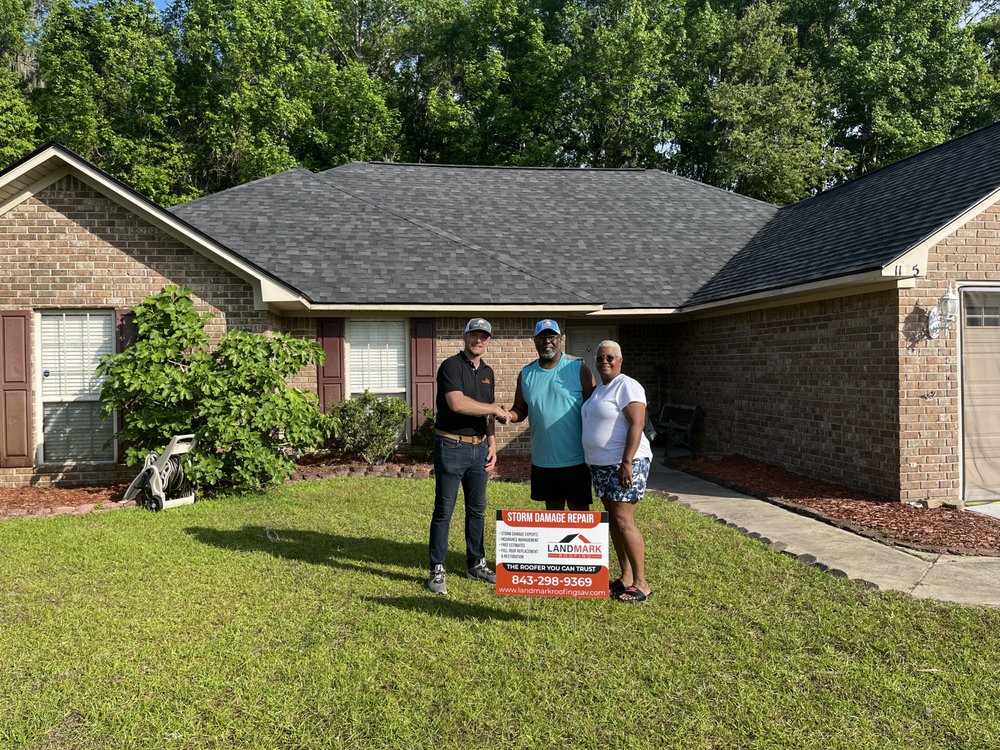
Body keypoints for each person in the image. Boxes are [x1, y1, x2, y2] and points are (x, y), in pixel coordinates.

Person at [427, 317, 511, 596]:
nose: (479, 340)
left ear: (489, 341)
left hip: (478, 450)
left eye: (484, 336)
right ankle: (437, 568)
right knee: (444, 511)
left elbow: (486, 414)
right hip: (451, 447)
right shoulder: (451, 366)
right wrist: (496, 409)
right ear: (465, 337)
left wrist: (492, 443)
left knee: (477, 509)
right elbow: (457, 403)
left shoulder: (487, 371)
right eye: (474, 335)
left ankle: (475, 563)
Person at [581, 340, 654, 603]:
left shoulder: (627, 385)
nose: (605, 362)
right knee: (614, 521)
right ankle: (625, 578)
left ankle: (642, 583)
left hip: (624, 464)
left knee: (624, 521)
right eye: (600, 358)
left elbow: (637, 423)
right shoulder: (601, 389)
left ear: (620, 360)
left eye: (610, 357)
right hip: (601, 466)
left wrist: (626, 462)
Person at [506, 319, 595, 511]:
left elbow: (594, 409)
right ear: (535, 341)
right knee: (552, 516)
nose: (547, 341)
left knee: (579, 515)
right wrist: (508, 415)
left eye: (552, 336)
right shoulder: (526, 373)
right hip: (543, 460)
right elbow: (520, 409)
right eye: (542, 337)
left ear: (560, 339)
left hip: (576, 460)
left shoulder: (579, 368)